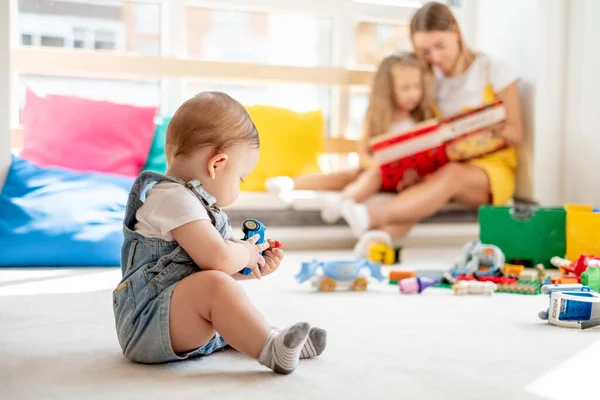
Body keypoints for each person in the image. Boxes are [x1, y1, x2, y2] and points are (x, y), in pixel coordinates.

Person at [112, 92, 327, 374]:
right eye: (240, 178)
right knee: (215, 287)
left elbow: (202, 269)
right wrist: (245, 252)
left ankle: (271, 337)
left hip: (174, 317)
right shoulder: (172, 199)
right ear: (217, 164)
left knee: (220, 290)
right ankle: (271, 348)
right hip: (147, 325)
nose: (239, 186)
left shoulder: (191, 204)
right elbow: (217, 261)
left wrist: (251, 265)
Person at [271, 1, 524, 240]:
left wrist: (475, 132)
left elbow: (515, 132)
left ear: (456, 31)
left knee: (451, 174)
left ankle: (369, 216)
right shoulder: (430, 79)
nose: (434, 57)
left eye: (440, 46)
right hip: (440, 166)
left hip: (488, 172)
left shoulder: (493, 69)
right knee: (367, 173)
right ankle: (376, 238)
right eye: (425, 51)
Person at [268, 52, 435, 224]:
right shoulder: (375, 116)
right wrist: (380, 168)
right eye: (405, 88)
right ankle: (291, 184)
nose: (413, 94)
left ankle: (342, 203)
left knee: (365, 177)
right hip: (378, 172)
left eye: (417, 87)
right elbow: (362, 156)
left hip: (407, 180)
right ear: (388, 89)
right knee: (348, 176)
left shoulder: (423, 118)